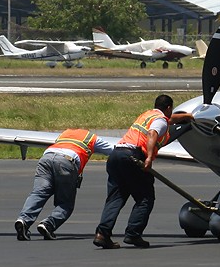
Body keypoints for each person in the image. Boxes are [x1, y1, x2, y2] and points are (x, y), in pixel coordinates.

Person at [93, 94, 194, 249]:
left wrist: (187, 116)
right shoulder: (160, 120)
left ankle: (102, 234)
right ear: (168, 108)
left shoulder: (148, 115)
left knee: (116, 197)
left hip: (116, 155)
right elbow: (153, 133)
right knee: (145, 198)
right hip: (133, 157)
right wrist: (149, 158)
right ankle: (133, 234)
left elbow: (170, 120)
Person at [15, 129, 114, 241]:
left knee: (39, 193)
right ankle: (49, 224)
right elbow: (113, 150)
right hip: (66, 161)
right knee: (65, 203)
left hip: (46, 158)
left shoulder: (64, 134)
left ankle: (24, 220)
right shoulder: (92, 138)